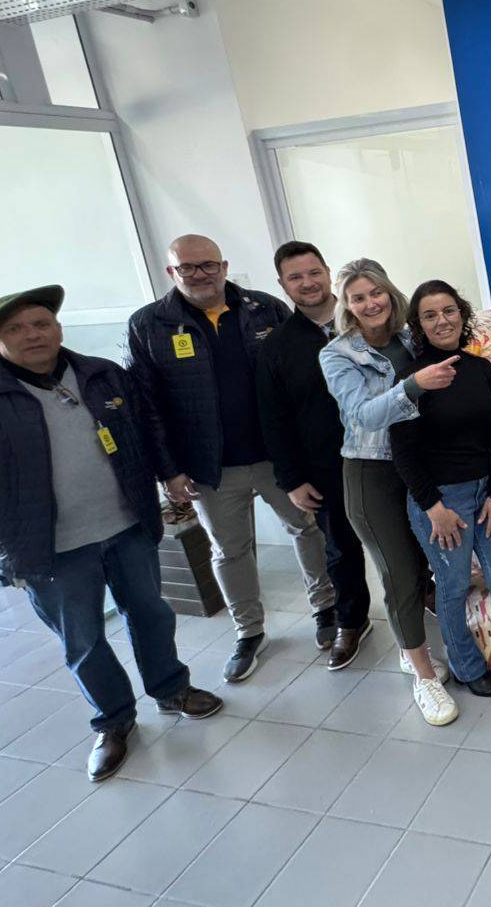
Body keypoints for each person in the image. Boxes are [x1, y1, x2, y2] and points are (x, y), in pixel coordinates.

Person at [0, 287, 222, 782]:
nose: (32, 335)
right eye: (15, 329)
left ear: (58, 327)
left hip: (126, 527)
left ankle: (171, 688)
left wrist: (165, 477)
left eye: (41, 323)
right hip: (49, 548)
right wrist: (12, 515)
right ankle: (114, 721)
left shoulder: (101, 375)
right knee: (81, 638)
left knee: (151, 612)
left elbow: (145, 431)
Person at [125, 234, 335, 683]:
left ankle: (326, 609)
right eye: (188, 268)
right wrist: (169, 469)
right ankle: (249, 632)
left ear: (223, 266)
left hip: (277, 458)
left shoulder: (264, 309)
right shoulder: (149, 325)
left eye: (208, 265)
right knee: (229, 551)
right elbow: (148, 406)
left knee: (307, 529)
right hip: (208, 468)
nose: (200, 274)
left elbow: (294, 384)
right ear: (171, 273)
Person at [393, 280, 491, 707]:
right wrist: (434, 508)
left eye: (448, 310)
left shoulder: (479, 369)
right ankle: (466, 669)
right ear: (418, 325)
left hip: (487, 499)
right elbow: (402, 452)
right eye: (430, 315)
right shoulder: (410, 379)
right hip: (441, 503)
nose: (441, 320)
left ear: (462, 315)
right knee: (453, 588)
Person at [320, 259, 461, 727]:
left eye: (375, 292)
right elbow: (361, 414)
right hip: (371, 471)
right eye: (358, 298)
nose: (370, 303)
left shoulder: (408, 336)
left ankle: (410, 643)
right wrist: (414, 385)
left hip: (417, 465)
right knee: (398, 571)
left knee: (424, 565)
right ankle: (422, 673)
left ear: (389, 292)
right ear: (346, 305)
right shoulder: (338, 354)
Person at [256, 241, 374, 669]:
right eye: (295, 277)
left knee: (407, 534)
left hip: (386, 458)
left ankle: (426, 595)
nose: (307, 283)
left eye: (313, 272)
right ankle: (352, 620)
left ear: (328, 273)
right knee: (340, 548)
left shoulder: (367, 321)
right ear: (283, 284)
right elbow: (273, 419)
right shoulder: (277, 347)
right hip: (327, 466)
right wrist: (291, 479)